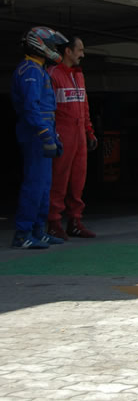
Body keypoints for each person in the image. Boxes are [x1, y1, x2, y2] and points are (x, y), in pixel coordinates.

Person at [11, 27, 70, 249]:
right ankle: (23, 233)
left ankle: (38, 230)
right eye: (52, 46)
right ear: (39, 44)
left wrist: (52, 134)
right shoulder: (30, 71)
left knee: (45, 186)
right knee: (34, 185)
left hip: (44, 132)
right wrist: (45, 133)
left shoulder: (39, 69)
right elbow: (31, 108)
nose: (55, 50)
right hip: (35, 135)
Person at [46, 36, 98, 240]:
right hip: (62, 133)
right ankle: (53, 222)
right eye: (80, 50)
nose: (82, 54)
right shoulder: (52, 74)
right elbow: (47, 108)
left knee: (78, 180)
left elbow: (84, 106)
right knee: (58, 179)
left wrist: (89, 131)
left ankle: (75, 221)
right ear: (67, 51)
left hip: (79, 136)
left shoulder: (79, 76)